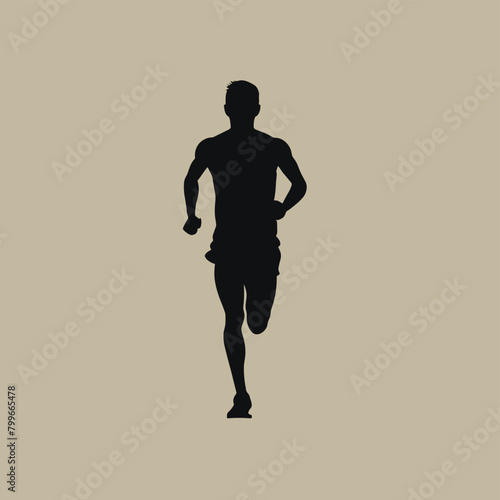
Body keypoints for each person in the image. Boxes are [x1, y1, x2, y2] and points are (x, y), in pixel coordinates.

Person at [183, 81, 306, 418]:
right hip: (228, 247)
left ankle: (241, 391)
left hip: (262, 245)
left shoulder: (272, 146)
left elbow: (300, 185)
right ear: (255, 109)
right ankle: (241, 395)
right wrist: (191, 214)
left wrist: (283, 206)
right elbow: (190, 178)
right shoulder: (214, 146)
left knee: (256, 322)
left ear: (230, 110)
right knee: (233, 319)